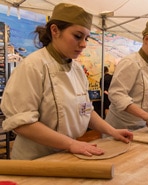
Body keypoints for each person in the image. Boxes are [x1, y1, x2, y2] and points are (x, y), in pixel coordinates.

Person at [0, 3, 133, 160]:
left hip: (66, 154)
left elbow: (86, 111)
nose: (83, 44)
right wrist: (70, 144)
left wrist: (112, 131)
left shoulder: (77, 70)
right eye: (77, 36)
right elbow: (21, 123)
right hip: (35, 159)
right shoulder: (33, 66)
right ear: (55, 30)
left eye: (86, 38)